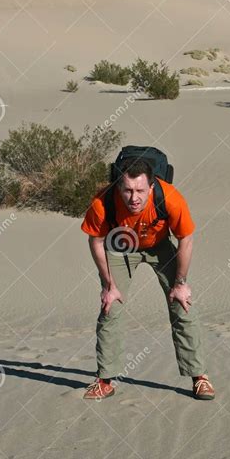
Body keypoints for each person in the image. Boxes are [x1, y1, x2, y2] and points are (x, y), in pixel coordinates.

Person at [80, 157, 215, 402]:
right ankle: (105, 380)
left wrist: (181, 283)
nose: (134, 198)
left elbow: (186, 238)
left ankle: (199, 377)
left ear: (151, 187)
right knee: (111, 307)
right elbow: (95, 241)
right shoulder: (103, 203)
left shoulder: (170, 198)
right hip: (119, 246)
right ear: (118, 187)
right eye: (128, 190)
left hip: (159, 245)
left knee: (182, 305)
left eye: (140, 190)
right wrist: (109, 284)